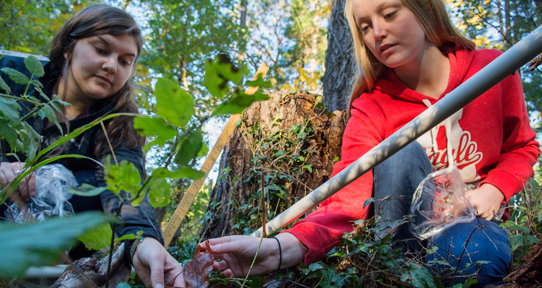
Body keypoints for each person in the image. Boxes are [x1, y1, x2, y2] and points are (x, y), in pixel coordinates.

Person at [205, 0, 540, 286]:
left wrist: (494, 190)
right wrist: (279, 250)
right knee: (400, 152)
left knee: (476, 258)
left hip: (468, 223)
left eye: (390, 14)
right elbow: (346, 198)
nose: (376, 32)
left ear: (424, 9)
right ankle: (396, 275)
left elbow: (522, 147)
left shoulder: (494, 69)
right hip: (402, 238)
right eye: (365, 26)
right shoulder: (371, 105)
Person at [0, 5, 185, 288]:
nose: (111, 65)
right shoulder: (14, 78)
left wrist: (143, 240)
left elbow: (125, 188)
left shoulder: (120, 124)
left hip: (56, 251)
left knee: (94, 186)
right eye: (101, 49)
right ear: (68, 47)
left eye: (125, 60)